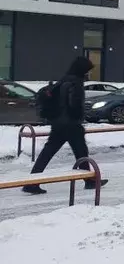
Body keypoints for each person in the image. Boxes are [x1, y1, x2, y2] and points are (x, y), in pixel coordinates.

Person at [24, 56, 106, 194]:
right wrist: (79, 116)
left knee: (48, 152)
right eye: (87, 71)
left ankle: (31, 182)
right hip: (71, 124)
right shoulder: (76, 83)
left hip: (58, 123)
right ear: (82, 70)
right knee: (81, 152)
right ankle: (89, 180)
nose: (88, 74)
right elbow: (74, 104)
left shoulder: (64, 80)